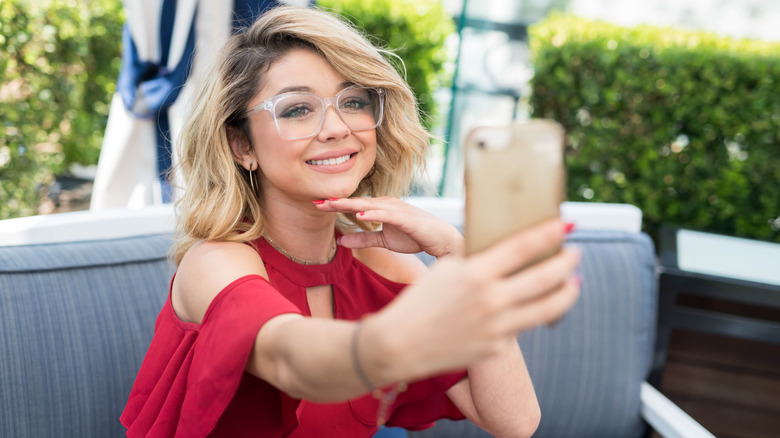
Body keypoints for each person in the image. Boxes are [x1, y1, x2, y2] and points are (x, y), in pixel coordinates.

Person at [120, 6, 581, 438]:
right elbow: (289, 360)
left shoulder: (381, 264)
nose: (337, 127)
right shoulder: (217, 263)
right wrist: (396, 339)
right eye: (297, 109)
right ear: (242, 147)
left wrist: (460, 256)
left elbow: (515, 421)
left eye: (354, 101)